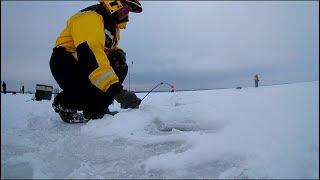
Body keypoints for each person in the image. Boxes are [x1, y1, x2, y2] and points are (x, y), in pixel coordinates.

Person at [49, 0, 143, 123]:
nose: (127, 12)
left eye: (129, 9)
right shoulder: (90, 16)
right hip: (66, 62)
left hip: (87, 63)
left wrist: (117, 53)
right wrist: (117, 92)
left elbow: (104, 52)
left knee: (120, 65)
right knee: (94, 79)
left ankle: (97, 110)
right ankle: (65, 103)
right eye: (125, 5)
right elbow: (90, 53)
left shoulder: (113, 27)